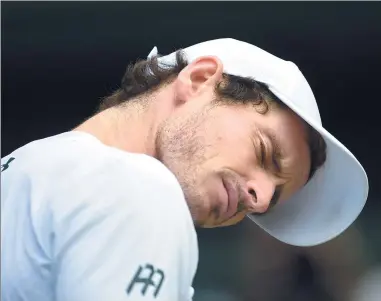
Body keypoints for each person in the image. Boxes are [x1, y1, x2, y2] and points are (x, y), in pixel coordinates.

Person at [1, 38, 368, 301]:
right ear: (199, 80)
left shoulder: (25, 166)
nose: (259, 201)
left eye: (272, 201)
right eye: (264, 152)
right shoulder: (141, 187)